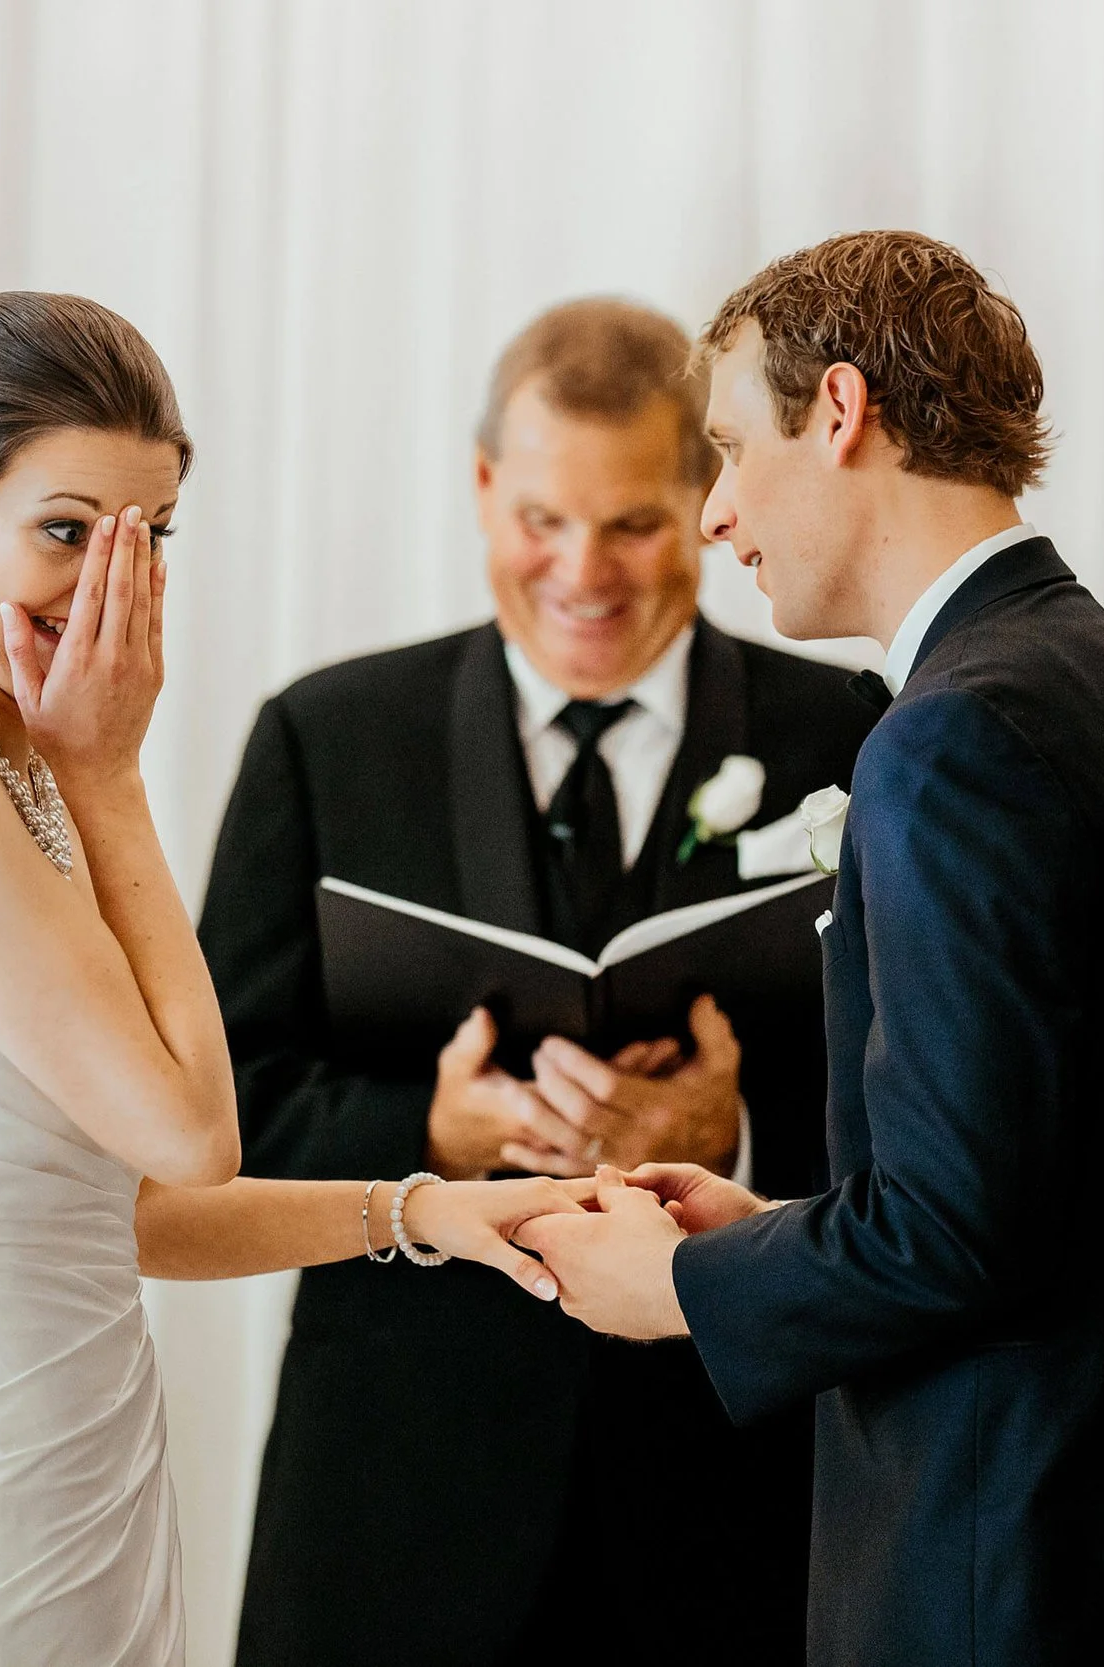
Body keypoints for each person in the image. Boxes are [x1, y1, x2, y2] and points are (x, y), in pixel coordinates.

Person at [0, 292, 587, 1667]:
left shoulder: (2, 752)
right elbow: (193, 1132)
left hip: (80, 1461)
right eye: (65, 529)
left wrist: (426, 1209)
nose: (111, 582)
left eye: (149, 536)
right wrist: (111, 774)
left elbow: (129, 1209)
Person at [517, 234, 1104, 1666]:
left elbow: (959, 1233)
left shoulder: (955, 737)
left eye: (727, 448)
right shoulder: (1101, 680)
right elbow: (1036, 1180)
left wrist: (680, 1288)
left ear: (839, 412)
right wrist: (768, 1228)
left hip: (1013, 1570)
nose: (715, 514)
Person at [199, 298, 877, 1663]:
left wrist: (734, 1139)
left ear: (705, 495)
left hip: (729, 1501)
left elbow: (924, 1121)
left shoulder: (846, 736)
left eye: (633, 522)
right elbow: (216, 1116)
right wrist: (431, 1139)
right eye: (542, 520)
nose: (584, 570)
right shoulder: (326, 740)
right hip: (399, 1499)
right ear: (482, 487)